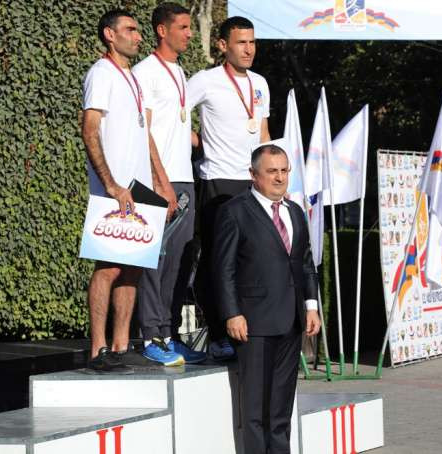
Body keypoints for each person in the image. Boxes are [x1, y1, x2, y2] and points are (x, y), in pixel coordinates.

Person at [213, 144, 320, 454]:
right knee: (256, 410)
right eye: (272, 171)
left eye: (284, 170)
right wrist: (232, 313)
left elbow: (305, 262)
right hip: (254, 324)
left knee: (281, 408)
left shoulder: (295, 212)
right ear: (253, 174)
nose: (280, 178)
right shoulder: (235, 211)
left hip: (292, 322)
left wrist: (311, 306)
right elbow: (223, 268)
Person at [81, 9, 167, 372]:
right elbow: (89, 130)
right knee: (109, 267)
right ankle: (97, 348)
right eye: (130, 30)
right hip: (113, 190)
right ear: (109, 34)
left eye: (137, 30)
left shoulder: (131, 77)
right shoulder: (101, 73)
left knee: (133, 268)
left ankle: (119, 345)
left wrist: (158, 182)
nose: (138, 36)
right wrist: (111, 184)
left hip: (138, 189)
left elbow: (141, 133)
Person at [188, 16, 271, 360]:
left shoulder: (260, 83)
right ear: (223, 45)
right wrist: (201, 143)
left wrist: (270, 175)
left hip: (253, 182)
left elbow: (262, 131)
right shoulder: (205, 80)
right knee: (217, 260)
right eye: (241, 42)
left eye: (252, 42)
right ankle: (219, 335)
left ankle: (251, 332)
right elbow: (171, 116)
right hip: (218, 179)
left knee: (252, 259)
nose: (248, 49)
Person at [132, 3, 206, 366]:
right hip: (157, 181)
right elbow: (143, 132)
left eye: (190, 27)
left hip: (183, 177)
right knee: (154, 260)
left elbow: (175, 126)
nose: (189, 33)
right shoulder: (144, 72)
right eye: (183, 27)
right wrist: (160, 182)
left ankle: (170, 334)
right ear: (162, 30)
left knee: (179, 262)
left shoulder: (179, 71)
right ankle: (151, 336)